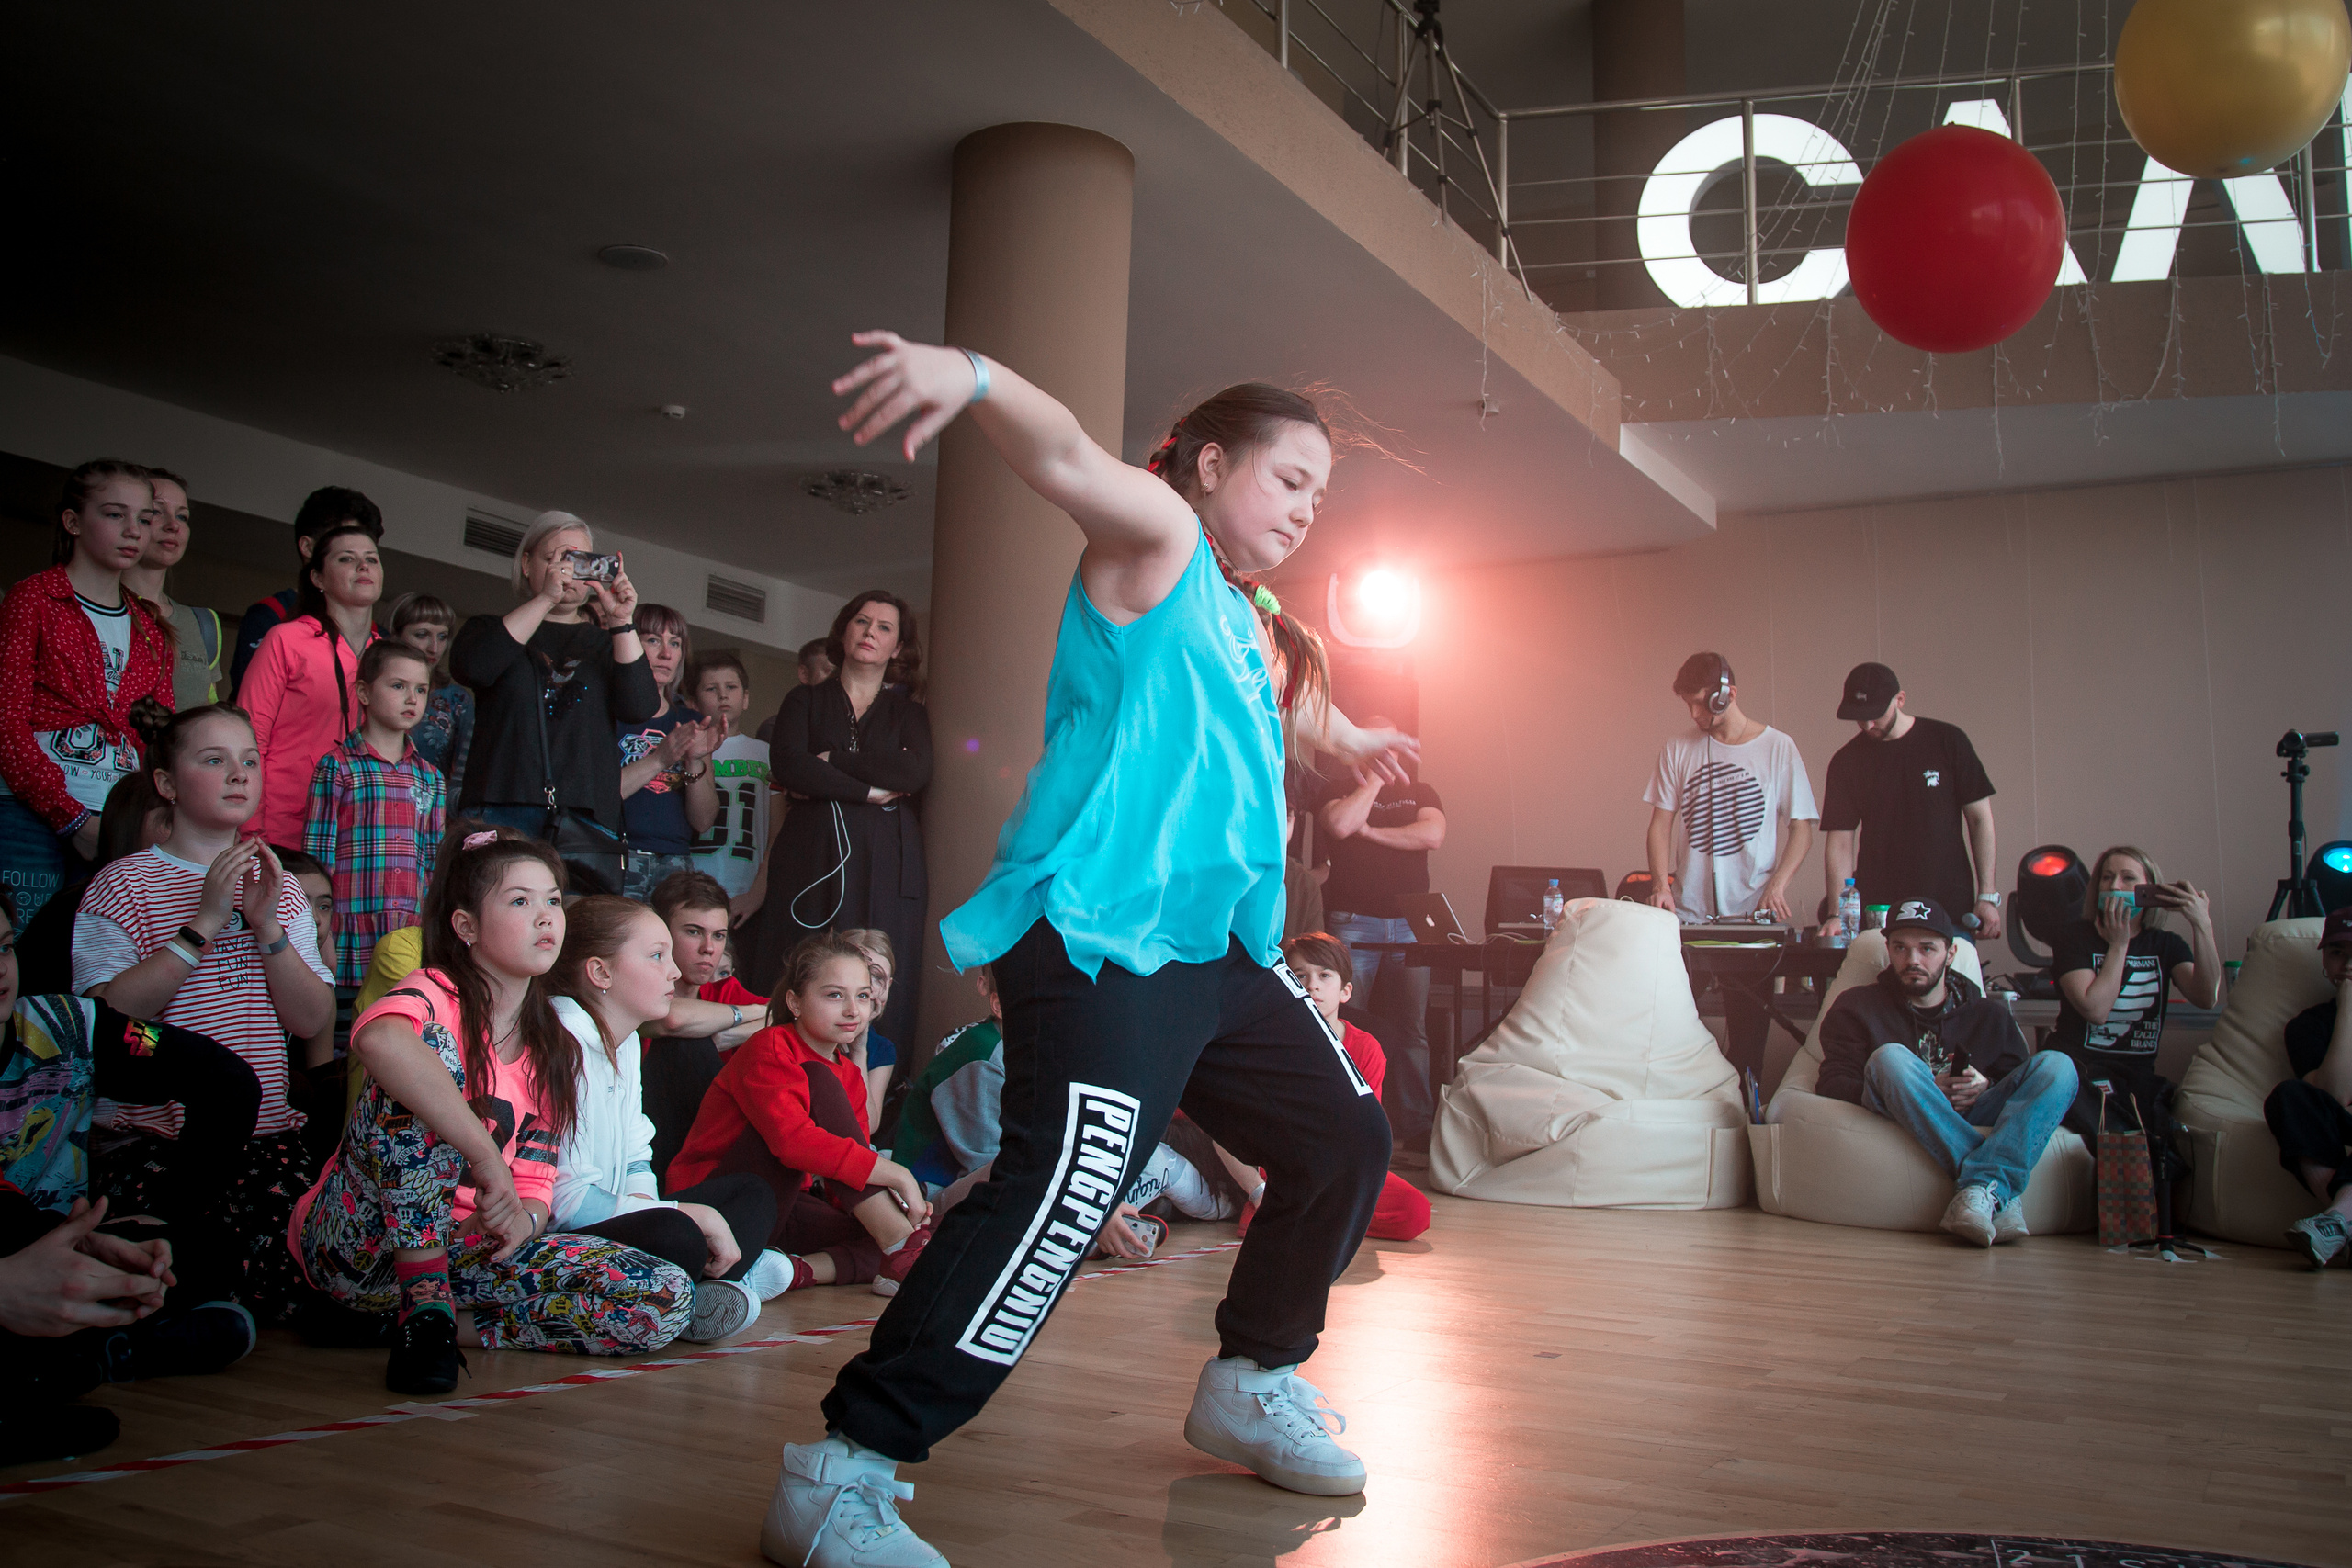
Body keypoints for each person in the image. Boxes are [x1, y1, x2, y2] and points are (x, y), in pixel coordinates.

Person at [752, 334, 1416, 1567]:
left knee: (1346, 1133)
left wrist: (1356, 723)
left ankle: (1254, 1373)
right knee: (1060, 1190)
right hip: (1104, 936)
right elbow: (1062, 453)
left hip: (1215, 950)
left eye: (1323, 496)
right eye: (1290, 479)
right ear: (1210, 465)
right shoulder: (1156, 538)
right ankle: (843, 1468)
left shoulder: (1239, 608)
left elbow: (1279, 705)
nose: (1307, 510)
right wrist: (978, 380)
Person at [289, 827, 695, 1394]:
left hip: (465, 1254)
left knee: (664, 1296)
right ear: (467, 927)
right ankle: (422, 1306)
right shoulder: (436, 991)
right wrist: (485, 1159)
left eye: (553, 899)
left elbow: (537, 1180)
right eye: (520, 901)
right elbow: (379, 1043)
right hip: (359, 1245)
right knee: (430, 1060)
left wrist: (520, 1220)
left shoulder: (553, 1042)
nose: (547, 916)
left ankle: (418, 1324)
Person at [74, 704, 336, 1315]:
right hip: (156, 1144)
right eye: (213, 760)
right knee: (187, 1266)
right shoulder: (122, 883)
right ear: (167, 783)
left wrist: (267, 923)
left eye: (248, 760)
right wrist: (205, 922)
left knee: (311, 1272)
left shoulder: (282, 884)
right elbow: (100, 1020)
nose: (237, 774)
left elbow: (310, 1018)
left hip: (265, 1140)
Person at [544, 894, 796, 1342]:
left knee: (752, 1194)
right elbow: (565, 1204)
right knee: (678, 1233)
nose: (675, 972)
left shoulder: (621, 1041)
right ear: (600, 972)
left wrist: (662, 1210)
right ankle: (707, 1292)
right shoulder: (565, 1041)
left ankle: (696, 1293)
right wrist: (677, 1215)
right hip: (561, 1235)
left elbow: (639, 1158)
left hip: (618, 1221)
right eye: (657, 956)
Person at [667, 933, 933, 1302]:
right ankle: (900, 1243)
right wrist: (895, 1173)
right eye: (835, 995)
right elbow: (793, 1143)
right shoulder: (769, 1045)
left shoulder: (851, 1075)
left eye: (863, 996)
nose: (854, 1010)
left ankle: (785, 1272)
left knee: (883, 1235)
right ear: (795, 1001)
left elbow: (846, 1178)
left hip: (784, 1207)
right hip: (720, 1203)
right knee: (819, 1080)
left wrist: (892, 1205)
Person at [1815, 898, 2078, 1247]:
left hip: (1978, 1108)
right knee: (1889, 1057)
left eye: (1927, 949)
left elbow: (2021, 1089)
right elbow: (1832, 1081)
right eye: (1901, 948)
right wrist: (1918, 1089)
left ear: (1950, 954)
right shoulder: (1856, 1006)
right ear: (1888, 951)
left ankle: (1981, 1189)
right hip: (1901, 1107)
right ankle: (1998, 1190)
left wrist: (1987, 1086)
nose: (1913, 960)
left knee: (2060, 1066)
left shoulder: (1990, 1015)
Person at [748, 592, 932, 1047]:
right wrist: (868, 790)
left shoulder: (909, 713)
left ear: (898, 647)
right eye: (862, 621)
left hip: (887, 860)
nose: (871, 632)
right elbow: (790, 765)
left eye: (884, 627)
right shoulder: (803, 700)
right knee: (802, 963)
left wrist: (833, 761)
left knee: (877, 972)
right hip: (812, 853)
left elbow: (913, 771)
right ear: (844, 631)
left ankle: (871, 1094)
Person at [0, 460, 176, 928]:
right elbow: (6, 723)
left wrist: (137, 822)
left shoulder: (150, 626)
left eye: (144, 518)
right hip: (30, 813)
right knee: (22, 952)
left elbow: (157, 742)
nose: (133, 530)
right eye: (115, 515)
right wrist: (72, 818)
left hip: (115, 819)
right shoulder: (33, 598)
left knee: (93, 958)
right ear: (73, 521)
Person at [449, 512, 654, 891]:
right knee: (496, 921)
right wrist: (546, 599)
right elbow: (474, 668)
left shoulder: (605, 643)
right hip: (501, 806)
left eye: (581, 561)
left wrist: (622, 621)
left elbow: (640, 707)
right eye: (557, 559)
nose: (569, 572)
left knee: (578, 933)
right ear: (527, 564)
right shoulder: (488, 629)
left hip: (586, 816)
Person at [1643, 652, 1818, 1081]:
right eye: (1689, 706)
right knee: (1662, 1031)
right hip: (1690, 916)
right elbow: (1660, 825)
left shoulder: (1779, 748)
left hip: (1751, 920)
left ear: (1730, 694)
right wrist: (1661, 885)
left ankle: (1743, 1122)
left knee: (1747, 1042)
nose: (1696, 714)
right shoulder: (1677, 749)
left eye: (1703, 703)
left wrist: (1778, 884)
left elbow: (1803, 827)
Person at [2048, 846, 2223, 1223]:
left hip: (2136, 1076)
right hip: (2079, 1069)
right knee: (2104, 1113)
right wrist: (2119, 945)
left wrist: (2202, 925)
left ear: (2150, 890)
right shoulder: (2072, 939)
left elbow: (2206, 996)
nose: (2116, 886)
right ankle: (2130, 1213)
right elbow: (2095, 1010)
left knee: (2158, 1122)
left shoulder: (2165, 945)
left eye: (2130, 878)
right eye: (2107, 877)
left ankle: (2146, 1212)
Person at [1314, 716, 1444, 1144]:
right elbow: (1339, 825)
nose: (1385, 752)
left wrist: (1371, 831)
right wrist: (1372, 782)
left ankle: (1417, 1127)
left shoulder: (1421, 792)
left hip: (1410, 925)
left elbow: (1432, 835)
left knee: (1413, 1031)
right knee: (1345, 1022)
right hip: (1354, 922)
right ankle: (1350, 1122)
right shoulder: (1335, 789)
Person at [1822, 662, 2004, 942]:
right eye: (1859, 718)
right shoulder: (1847, 761)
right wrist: (1837, 913)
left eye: (1875, 715)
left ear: (1900, 700)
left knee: (1948, 983)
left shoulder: (1947, 741)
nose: (1868, 725)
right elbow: (1840, 841)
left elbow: (1980, 820)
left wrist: (1987, 895)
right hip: (1879, 913)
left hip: (1948, 908)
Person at [303, 639, 447, 991]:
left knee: (399, 1019)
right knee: (340, 1029)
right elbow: (317, 859)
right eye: (398, 686)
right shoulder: (336, 767)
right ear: (364, 693)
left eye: (421, 689)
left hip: (408, 933)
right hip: (347, 931)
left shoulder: (431, 776)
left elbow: (433, 860)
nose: (412, 698)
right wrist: (316, 928)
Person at [239, 519, 383, 847]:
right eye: (346, 558)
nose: (363, 565)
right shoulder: (286, 639)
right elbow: (250, 737)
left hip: (360, 829)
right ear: (318, 577)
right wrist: (250, 826)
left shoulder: (388, 657)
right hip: (282, 823)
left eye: (372, 558)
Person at [1279, 933, 1431, 1241]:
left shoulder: (1366, 1048)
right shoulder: (1274, 1043)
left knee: (1414, 1213)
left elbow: (1365, 1132)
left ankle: (1318, 1215)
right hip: (1289, 1163)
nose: (1312, 985)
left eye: (1324, 976)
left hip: (1345, 1165)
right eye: (1300, 976)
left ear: (1345, 991)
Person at [639, 872, 774, 1182]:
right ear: (661, 932)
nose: (708, 949)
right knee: (687, 1043)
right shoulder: (638, 985)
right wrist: (751, 1014)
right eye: (693, 932)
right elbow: (671, 1018)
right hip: (647, 1140)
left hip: (709, 1139)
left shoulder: (724, 993)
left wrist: (729, 1032)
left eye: (718, 935)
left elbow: (790, 1017)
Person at [229, 485, 382, 694]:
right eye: (345, 545)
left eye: (369, 551)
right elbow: (252, 707)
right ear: (308, 548)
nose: (361, 561)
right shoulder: (271, 616)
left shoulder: (380, 638)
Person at [617, 604, 722, 903]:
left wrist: (695, 757)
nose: (666, 653)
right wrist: (661, 758)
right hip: (620, 856)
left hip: (676, 861)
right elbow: (599, 794)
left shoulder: (689, 720)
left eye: (675, 643)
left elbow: (702, 822)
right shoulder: (604, 712)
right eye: (653, 640)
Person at [2267, 907, 2352, 1266]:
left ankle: (2338, 1224)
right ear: (2325, 961)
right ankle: (2340, 1224)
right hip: (2340, 1123)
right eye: (2337, 953)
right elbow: (2332, 1095)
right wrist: (2348, 1007)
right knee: (2286, 1097)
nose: (2348, 963)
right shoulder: (2307, 1026)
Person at [122, 468, 226, 707]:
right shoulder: (95, 607)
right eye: (157, 512)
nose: (173, 525)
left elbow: (208, 711)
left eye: (182, 517)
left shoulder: (204, 624)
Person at [687, 650, 774, 908]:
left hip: (745, 882)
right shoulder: (686, 748)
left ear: (746, 698)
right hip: (691, 877)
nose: (723, 695)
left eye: (732, 687)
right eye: (711, 689)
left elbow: (776, 832)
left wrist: (759, 889)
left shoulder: (766, 753)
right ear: (693, 702)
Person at [387, 592, 472, 807]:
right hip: (371, 802)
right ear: (396, 635)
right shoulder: (376, 688)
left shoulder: (457, 699)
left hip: (432, 815)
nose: (434, 647)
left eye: (442, 637)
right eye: (422, 634)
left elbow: (464, 776)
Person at [839, 927, 899, 1132]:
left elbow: (868, 1126)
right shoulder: (817, 1029)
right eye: (863, 973)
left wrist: (859, 1048)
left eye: (878, 977)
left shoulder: (883, 1049)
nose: (870, 987)